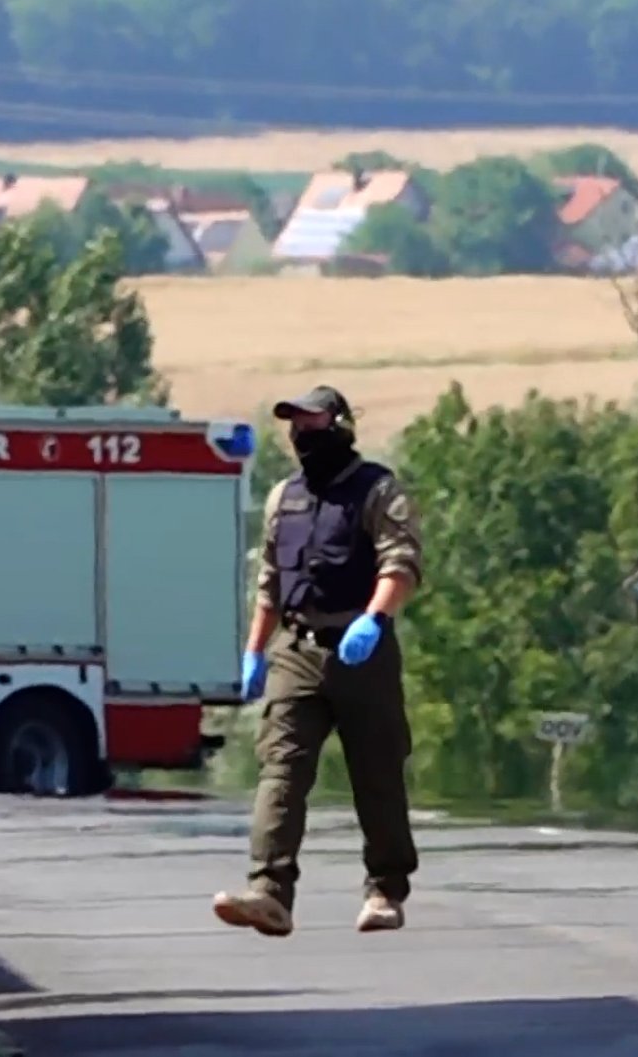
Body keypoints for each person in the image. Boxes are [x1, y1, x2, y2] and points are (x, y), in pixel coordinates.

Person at [211, 386, 423, 938]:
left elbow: (401, 564)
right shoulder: (285, 497)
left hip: (361, 650)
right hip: (296, 650)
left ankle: (385, 890)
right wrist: (255, 651)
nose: (302, 433)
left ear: (341, 424)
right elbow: (270, 585)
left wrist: (374, 620)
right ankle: (269, 893)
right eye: (295, 425)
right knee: (281, 769)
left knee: (376, 773)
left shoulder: (378, 489)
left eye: (313, 421)